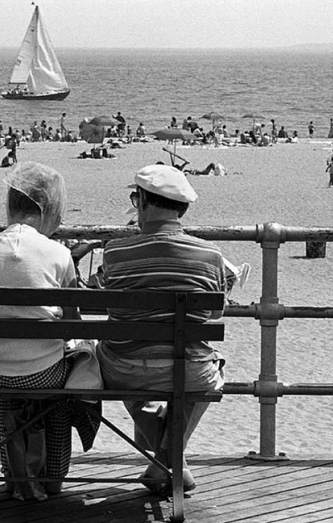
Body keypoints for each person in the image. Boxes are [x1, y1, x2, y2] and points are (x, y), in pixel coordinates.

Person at [97, 164, 227, 496]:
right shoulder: (210, 254)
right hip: (189, 367)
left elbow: (111, 307)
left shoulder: (115, 252)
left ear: (143, 201)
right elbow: (214, 312)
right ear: (182, 208)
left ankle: (165, 462)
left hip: (125, 369)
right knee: (210, 371)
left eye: (135, 198)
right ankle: (170, 461)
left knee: (112, 353)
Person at [0, 162, 76, 500]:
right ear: (48, 208)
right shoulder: (59, 253)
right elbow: (73, 323)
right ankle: (52, 475)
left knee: (8, 395)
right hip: (42, 373)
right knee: (58, 393)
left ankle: (14, 476)